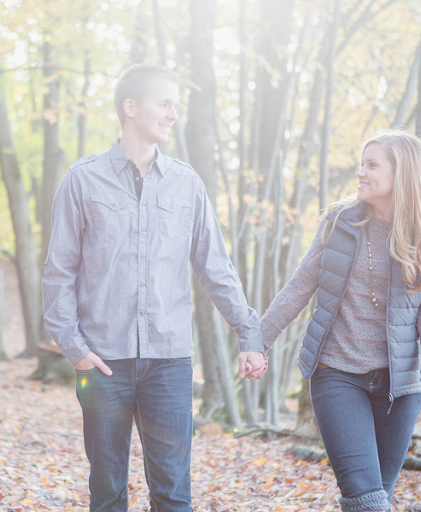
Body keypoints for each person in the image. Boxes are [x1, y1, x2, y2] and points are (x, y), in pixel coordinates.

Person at [42, 63, 266, 512]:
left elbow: (216, 269)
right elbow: (58, 271)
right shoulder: (82, 180)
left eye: (176, 106)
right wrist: (74, 348)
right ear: (130, 107)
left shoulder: (187, 184)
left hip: (169, 363)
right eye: (164, 103)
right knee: (106, 492)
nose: (172, 115)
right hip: (102, 363)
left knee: (173, 495)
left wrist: (250, 333)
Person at [242, 130, 421, 512]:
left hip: (401, 386)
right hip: (336, 374)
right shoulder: (338, 221)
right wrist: (257, 341)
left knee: (377, 498)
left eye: (372, 165)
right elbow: (299, 286)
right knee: (365, 498)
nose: (360, 172)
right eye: (361, 163)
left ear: (403, 173)